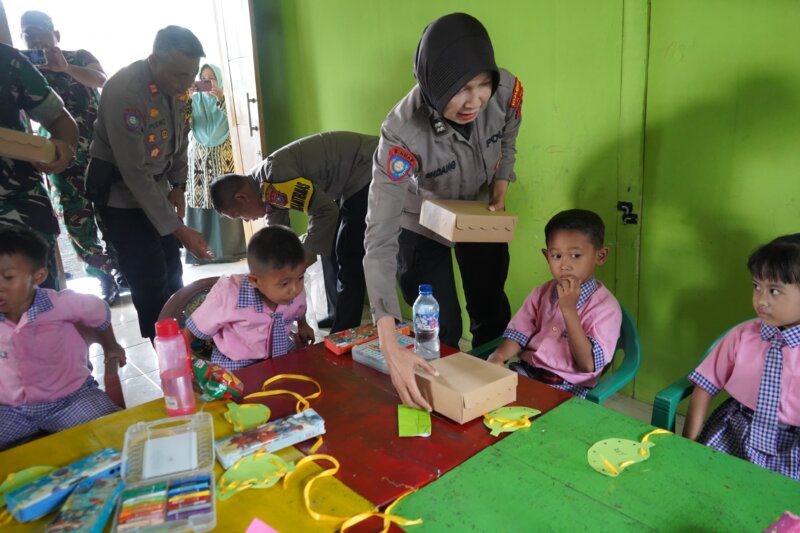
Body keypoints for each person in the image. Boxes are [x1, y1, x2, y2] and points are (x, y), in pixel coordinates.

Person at [363, 13, 523, 409]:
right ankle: (439, 400)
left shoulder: (507, 90)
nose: (475, 100)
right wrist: (386, 336)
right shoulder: (401, 133)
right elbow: (380, 237)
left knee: (490, 306)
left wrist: (503, 175)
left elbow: (510, 129)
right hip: (420, 221)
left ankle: (487, 395)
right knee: (439, 324)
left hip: (476, 209)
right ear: (433, 84)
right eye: (461, 89)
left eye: (482, 84)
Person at [87, 26, 213, 341]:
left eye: (191, 75)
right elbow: (134, 172)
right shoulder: (125, 92)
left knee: (172, 268)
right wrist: (179, 227)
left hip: (157, 189)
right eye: (179, 75)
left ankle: (184, 338)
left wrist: (179, 185)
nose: (186, 84)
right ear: (155, 60)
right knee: (148, 276)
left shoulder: (178, 89)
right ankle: (165, 347)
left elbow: (181, 140)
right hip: (121, 198)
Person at [210, 131, 378, 333]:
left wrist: (301, 260)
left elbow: (326, 211)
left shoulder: (276, 179)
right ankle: (337, 315)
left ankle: (344, 331)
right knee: (330, 245)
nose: (246, 220)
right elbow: (279, 236)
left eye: (238, 215)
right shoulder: (262, 188)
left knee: (347, 251)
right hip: (349, 176)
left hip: (367, 164)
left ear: (241, 198)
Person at [20, 10, 122, 303]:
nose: (36, 37)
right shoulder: (22, 66)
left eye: (42, 31)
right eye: (29, 33)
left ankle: (121, 271)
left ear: (56, 35)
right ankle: (103, 277)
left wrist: (64, 68)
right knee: (77, 221)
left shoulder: (78, 56)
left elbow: (101, 80)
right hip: (59, 158)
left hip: (101, 152)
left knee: (112, 212)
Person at [683, 234, 800, 481]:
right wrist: (690, 444)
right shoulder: (743, 335)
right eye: (756, 286)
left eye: (775, 291)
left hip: (793, 448)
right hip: (735, 430)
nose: (761, 300)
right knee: (708, 485)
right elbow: (704, 386)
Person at [0, 225, 126, 451]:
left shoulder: (62, 304)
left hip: (70, 400)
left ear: (38, 276)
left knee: (115, 434)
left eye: (8, 277)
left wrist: (111, 346)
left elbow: (100, 311)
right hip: (10, 410)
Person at [487, 210, 622, 397]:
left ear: (600, 256)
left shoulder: (606, 308)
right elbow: (519, 332)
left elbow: (588, 364)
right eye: (556, 256)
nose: (564, 265)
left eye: (575, 255)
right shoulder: (541, 292)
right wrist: (499, 356)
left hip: (569, 390)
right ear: (546, 256)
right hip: (527, 374)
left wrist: (569, 310)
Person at [1, 43, 78, 292]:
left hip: (18, 217)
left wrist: (63, 148)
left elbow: (59, 119)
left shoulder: (8, 61)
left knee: (43, 318)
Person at [184, 226, 313, 372]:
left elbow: (299, 309)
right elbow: (193, 328)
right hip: (238, 368)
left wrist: (303, 324)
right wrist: (183, 363)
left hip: (281, 358)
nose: (295, 289)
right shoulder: (229, 296)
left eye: (300, 277)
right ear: (255, 281)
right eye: (284, 283)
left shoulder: (294, 292)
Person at [185, 63, 246, 265]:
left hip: (224, 152)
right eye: (204, 78)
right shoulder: (192, 101)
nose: (208, 82)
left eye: (212, 78)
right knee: (201, 198)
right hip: (199, 155)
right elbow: (183, 123)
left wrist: (220, 100)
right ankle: (202, 252)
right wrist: (186, 98)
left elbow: (238, 119)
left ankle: (230, 249)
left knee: (225, 195)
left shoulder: (228, 97)